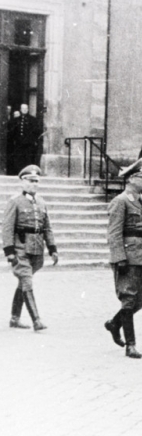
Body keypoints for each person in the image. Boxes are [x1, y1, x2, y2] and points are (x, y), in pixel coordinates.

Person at [104, 158, 142, 359]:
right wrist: (119, 258)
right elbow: (114, 232)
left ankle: (115, 324)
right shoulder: (120, 201)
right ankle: (130, 345)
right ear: (131, 179)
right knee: (128, 298)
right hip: (128, 257)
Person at [3, 165, 58, 331]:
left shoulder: (41, 202)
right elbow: (7, 228)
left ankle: (14, 318)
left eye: (36, 181)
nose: (34, 184)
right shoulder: (15, 201)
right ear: (22, 182)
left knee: (23, 282)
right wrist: (10, 252)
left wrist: (52, 248)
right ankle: (36, 320)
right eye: (30, 181)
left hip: (36, 251)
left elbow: (47, 227)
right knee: (26, 281)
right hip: (21, 250)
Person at [7, 104, 43, 175]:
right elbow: (12, 132)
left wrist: (32, 140)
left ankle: (27, 173)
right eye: (23, 109)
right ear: (20, 109)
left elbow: (36, 131)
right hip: (18, 144)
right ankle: (18, 172)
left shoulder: (33, 120)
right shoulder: (16, 120)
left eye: (26, 109)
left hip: (28, 144)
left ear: (28, 109)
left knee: (28, 159)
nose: (24, 110)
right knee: (18, 159)